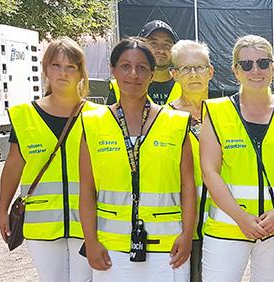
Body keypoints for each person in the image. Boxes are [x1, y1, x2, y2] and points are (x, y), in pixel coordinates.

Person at [79, 37, 195, 282]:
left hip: (168, 247)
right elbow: (87, 190)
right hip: (110, 248)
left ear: (152, 74)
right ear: (113, 70)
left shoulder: (175, 122)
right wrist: (90, 241)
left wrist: (187, 235)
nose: (133, 74)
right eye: (125, 66)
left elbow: (188, 186)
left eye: (142, 67)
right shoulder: (93, 123)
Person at [199, 35, 274, 282]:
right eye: (246, 65)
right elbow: (209, 172)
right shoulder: (216, 111)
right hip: (228, 227)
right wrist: (242, 218)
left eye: (263, 63)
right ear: (235, 71)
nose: (255, 70)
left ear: (273, 67)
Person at [0, 36, 97, 282]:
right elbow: (13, 167)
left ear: (81, 73)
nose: (63, 73)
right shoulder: (24, 116)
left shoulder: (99, 117)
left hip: (88, 219)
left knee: (84, 280)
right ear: (45, 69)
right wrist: (2, 210)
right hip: (41, 222)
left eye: (70, 67)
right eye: (56, 65)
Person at [165, 40, 215, 282]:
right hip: (181, 225)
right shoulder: (163, 118)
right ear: (174, 74)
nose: (193, 74)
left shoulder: (225, 113)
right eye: (185, 69)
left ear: (211, 71)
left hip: (219, 222)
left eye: (199, 67)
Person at [106, 20, 182, 105]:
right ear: (142, 46)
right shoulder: (122, 85)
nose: (161, 50)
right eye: (154, 43)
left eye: (167, 45)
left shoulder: (185, 85)